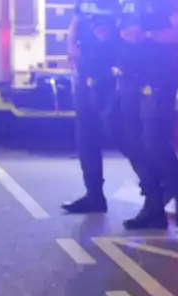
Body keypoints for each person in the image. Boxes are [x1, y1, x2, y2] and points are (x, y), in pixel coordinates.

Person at [114, 0, 178, 230]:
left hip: (159, 73)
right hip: (130, 73)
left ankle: (177, 191)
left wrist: (145, 35)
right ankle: (154, 198)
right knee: (122, 133)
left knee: (153, 138)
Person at [62, 0, 127, 215]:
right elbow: (75, 23)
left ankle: (158, 189)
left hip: (111, 75)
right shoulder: (84, 3)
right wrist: (71, 46)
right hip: (86, 73)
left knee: (121, 134)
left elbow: (130, 34)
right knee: (85, 137)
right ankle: (94, 195)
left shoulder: (121, 4)